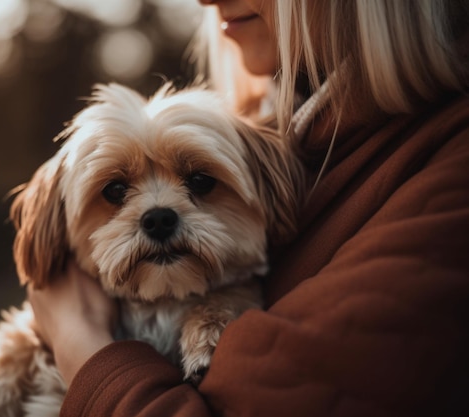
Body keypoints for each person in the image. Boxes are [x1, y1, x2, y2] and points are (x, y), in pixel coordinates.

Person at [27, 1, 469, 416]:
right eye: (117, 191)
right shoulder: (275, 130)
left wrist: (78, 341)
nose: (203, 2)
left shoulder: (448, 169)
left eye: (200, 182)